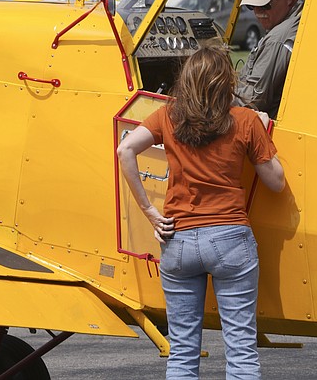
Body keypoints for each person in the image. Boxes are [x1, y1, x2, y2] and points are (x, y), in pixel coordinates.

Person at [117, 44, 285, 380]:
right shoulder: (246, 121)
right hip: (230, 239)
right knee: (240, 350)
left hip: (177, 239)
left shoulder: (168, 116)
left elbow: (125, 149)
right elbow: (276, 182)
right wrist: (263, 129)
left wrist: (150, 210)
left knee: (182, 351)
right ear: (227, 82)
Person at [234, 0, 304, 119]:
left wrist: (214, 98)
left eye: (265, 5)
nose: (258, 13)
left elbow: (253, 99)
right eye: (252, 6)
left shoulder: (276, 39)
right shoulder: (301, 15)